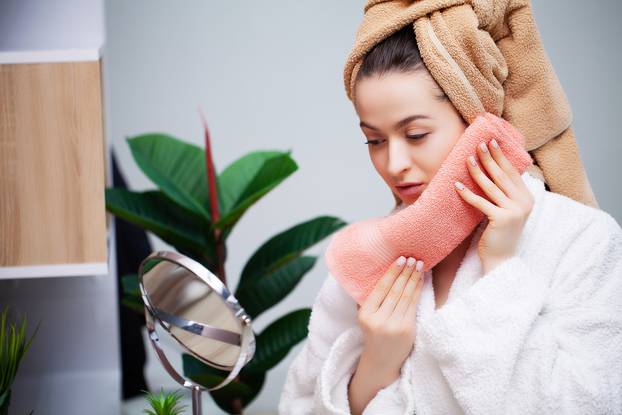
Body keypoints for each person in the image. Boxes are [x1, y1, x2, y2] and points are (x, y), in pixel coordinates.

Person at [278, 20, 622, 415]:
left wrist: (501, 271)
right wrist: (377, 365)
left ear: (477, 120)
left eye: (417, 134)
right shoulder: (368, 258)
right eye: (374, 140)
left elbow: (590, 406)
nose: (394, 164)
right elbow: (298, 408)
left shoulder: (583, 239)